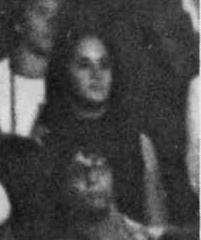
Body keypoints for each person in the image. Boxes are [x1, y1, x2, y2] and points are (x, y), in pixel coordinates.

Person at [32, 22, 167, 229]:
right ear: (66, 71)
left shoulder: (137, 141)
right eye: (84, 65)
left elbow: (156, 226)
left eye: (104, 65)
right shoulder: (47, 138)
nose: (97, 74)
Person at [0, 0, 56, 138]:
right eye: (42, 12)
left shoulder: (71, 81)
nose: (52, 22)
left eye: (58, 15)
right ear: (19, 22)